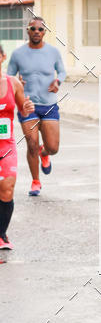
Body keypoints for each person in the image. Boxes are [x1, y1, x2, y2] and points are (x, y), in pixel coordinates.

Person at [7, 17, 66, 196]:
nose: (36, 32)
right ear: (28, 30)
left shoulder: (53, 52)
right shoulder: (18, 54)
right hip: (27, 105)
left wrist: (58, 81)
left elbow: (62, 71)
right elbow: (9, 76)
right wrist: (17, 81)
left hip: (49, 105)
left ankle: (45, 153)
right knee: (32, 144)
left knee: (53, 148)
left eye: (40, 29)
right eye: (33, 28)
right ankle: (35, 181)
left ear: (44, 32)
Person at [0, 43, 34, 251]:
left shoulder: (13, 83)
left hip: (6, 146)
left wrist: (27, 107)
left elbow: (23, 109)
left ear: (3, 57)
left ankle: (1, 234)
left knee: (7, 188)